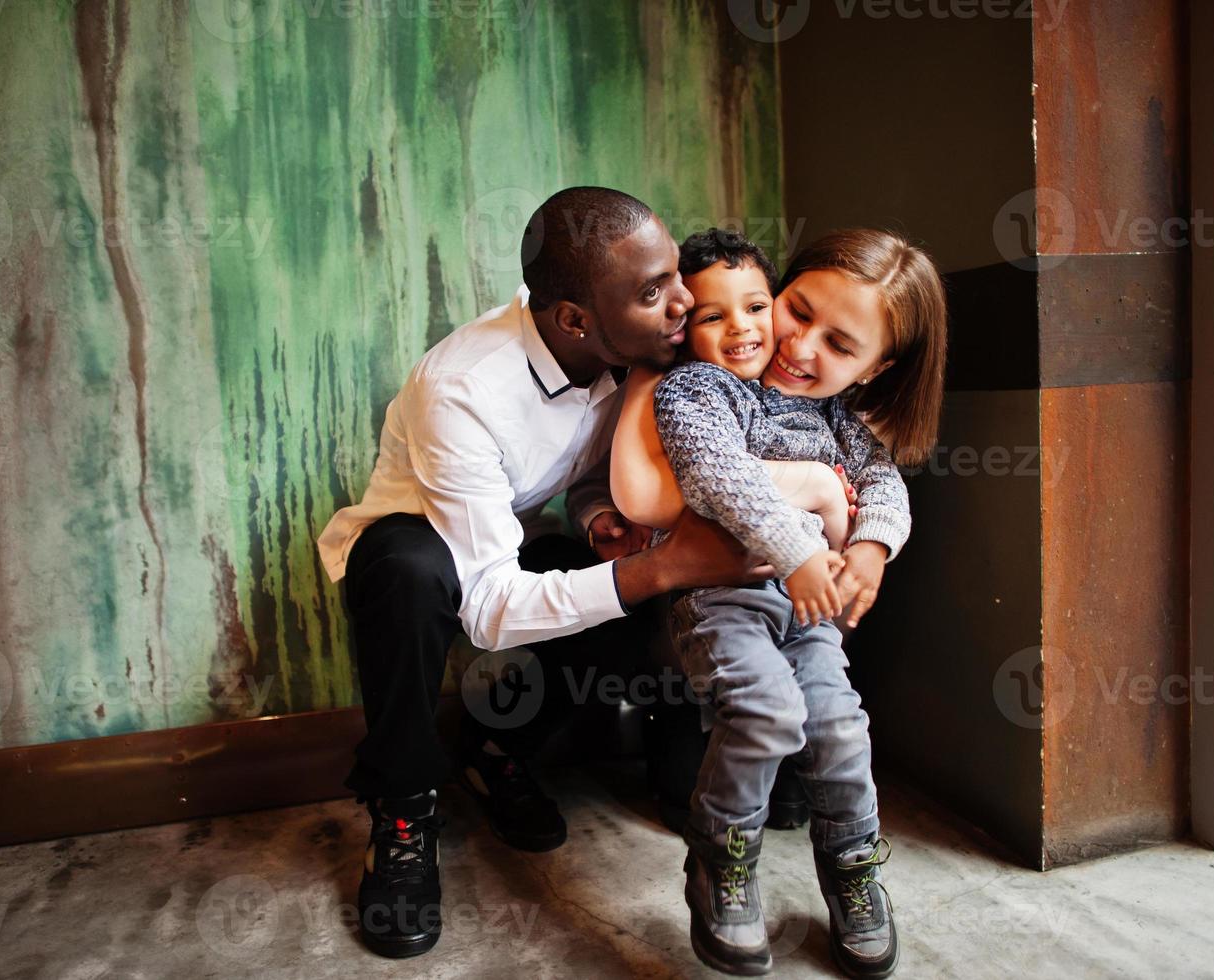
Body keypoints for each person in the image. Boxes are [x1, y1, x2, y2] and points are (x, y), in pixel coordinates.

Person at [317, 187, 773, 959]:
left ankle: (495, 751)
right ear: (572, 320)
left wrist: (605, 525)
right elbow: (486, 606)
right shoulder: (461, 388)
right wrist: (659, 567)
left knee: (615, 588)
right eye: (654, 292)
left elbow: (597, 475)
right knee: (408, 570)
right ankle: (403, 805)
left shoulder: (631, 352)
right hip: (422, 548)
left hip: (514, 537)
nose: (682, 304)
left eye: (674, 277)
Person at [612, 228, 946, 976]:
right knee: (768, 714)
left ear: (875, 366)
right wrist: (799, 550)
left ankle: (852, 869)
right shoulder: (702, 388)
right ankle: (721, 863)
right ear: (778, 290)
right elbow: (714, 477)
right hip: (721, 601)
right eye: (796, 311)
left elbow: (882, 485)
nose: (798, 347)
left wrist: (871, 545)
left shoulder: (838, 419)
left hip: (809, 610)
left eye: (839, 343)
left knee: (840, 730)